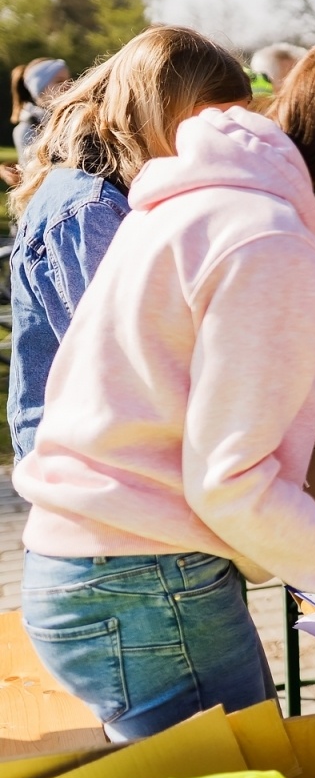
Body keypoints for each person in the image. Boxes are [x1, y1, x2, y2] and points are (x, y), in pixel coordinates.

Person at [13, 28, 315, 740]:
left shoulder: (213, 203)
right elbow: (230, 484)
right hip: (148, 581)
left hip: (108, 572)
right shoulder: (270, 239)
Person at [8, 27, 252, 461]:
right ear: (164, 114)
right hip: (87, 462)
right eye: (211, 125)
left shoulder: (122, 188)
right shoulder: (90, 208)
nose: (224, 142)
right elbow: (125, 362)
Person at [9, 57, 69, 173]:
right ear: (39, 87)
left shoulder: (68, 118)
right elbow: (33, 175)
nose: (68, 85)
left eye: (68, 79)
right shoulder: (27, 129)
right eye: (59, 81)